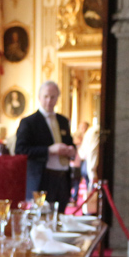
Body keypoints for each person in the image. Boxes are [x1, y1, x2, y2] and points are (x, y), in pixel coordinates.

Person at [15, 81, 77, 210]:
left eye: (53, 97)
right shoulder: (29, 122)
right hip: (42, 178)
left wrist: (72, 151)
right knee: (41, 218)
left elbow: (70, 144)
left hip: (63, 178)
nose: (49, 101)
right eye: (46, 97)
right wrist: (49, 150)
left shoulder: (63, 121)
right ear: (39, 97)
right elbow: (20, 150)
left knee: (60, 217)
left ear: (57, 99)